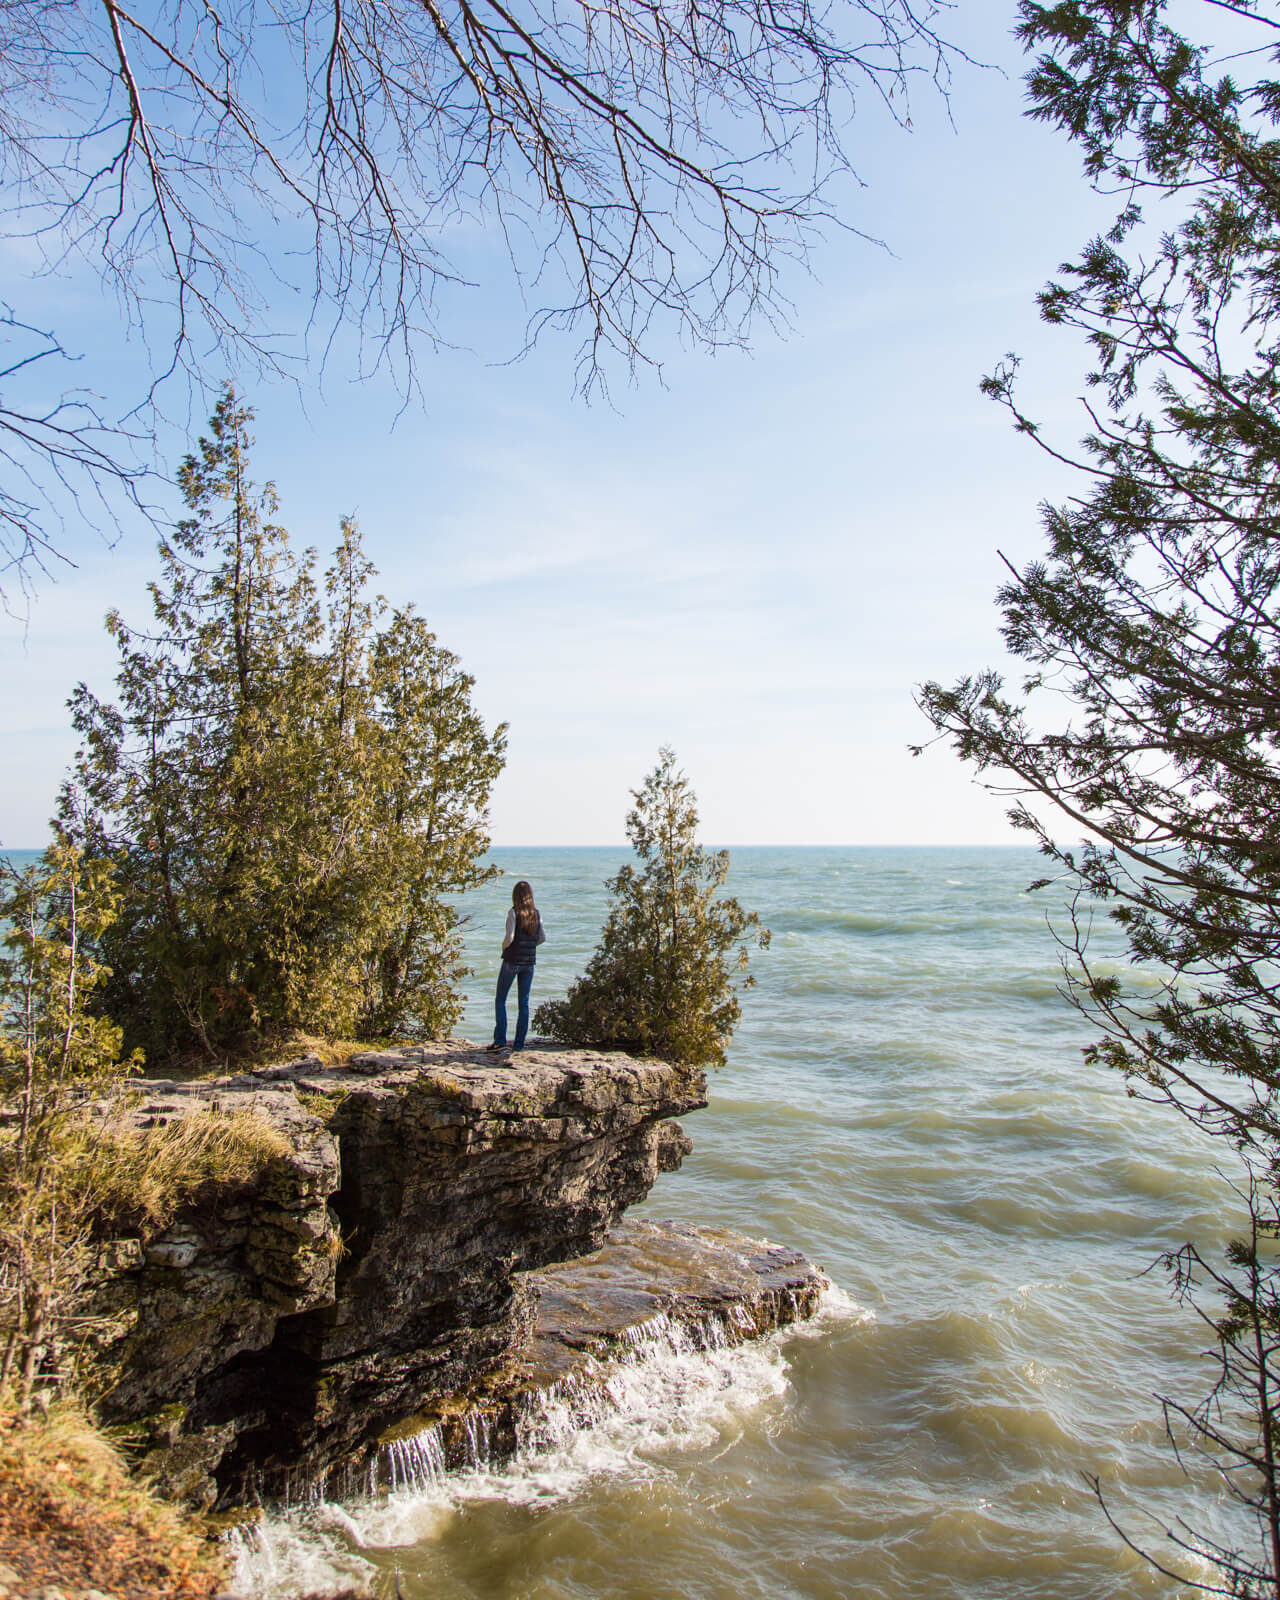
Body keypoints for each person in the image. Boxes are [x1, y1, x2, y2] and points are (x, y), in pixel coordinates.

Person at [488, 880, 546, 1056]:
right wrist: (529, 945)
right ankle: (519, 1044)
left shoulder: (513, 913)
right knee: (524, 1003)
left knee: (501, 1000)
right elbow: (542, 938)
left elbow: (510, 937)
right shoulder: (536, 914)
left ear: (516, 896)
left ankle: (500, 1042)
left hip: (512, 960)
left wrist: (503, 947)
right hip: (529, 962)